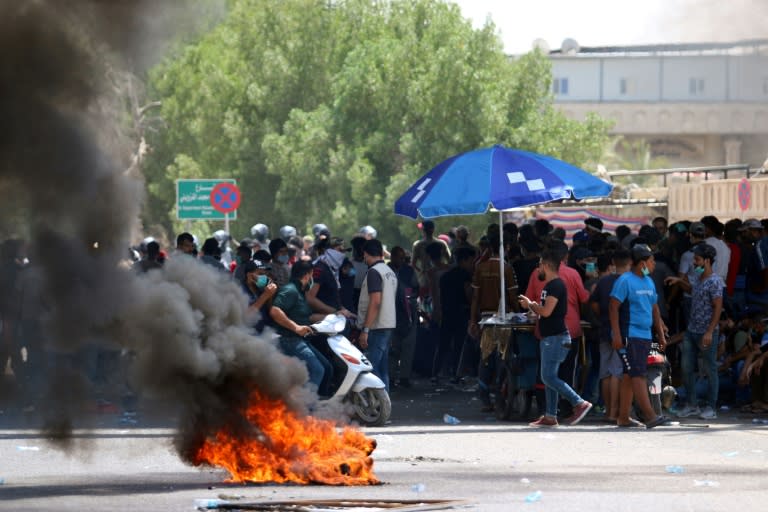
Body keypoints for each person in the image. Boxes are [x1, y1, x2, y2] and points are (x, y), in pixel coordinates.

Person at [519, 248, 593, 427]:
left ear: (545, 265)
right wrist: (534, 307)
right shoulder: (550, 286)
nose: (537, 270)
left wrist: (530, 305)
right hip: (551, 337)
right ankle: (551, 415)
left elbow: (546, 311)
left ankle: (579, 403)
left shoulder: (556, 285)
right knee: (550, 376)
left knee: (548, 376)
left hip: (556, 338)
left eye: (539, 266)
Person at [609, 244, 669, 429]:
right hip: (630, 334)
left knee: (629, 375)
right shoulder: (625, 280)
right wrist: (617, 335)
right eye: (652, 261)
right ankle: (650, 416)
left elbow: (654, 308)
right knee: (638, 375)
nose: (654, 265)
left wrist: (660, 334)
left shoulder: (649, 282)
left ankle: (624, 417)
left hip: (644, 335)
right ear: (642, 262)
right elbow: (613, 307)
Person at [666, 243, 724, 419]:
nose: (694, 263)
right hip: (692, 331)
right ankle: (692, 404)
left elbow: (718, 307)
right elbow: (694, 291)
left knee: (709, 369)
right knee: (686, 367)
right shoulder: (699, 280)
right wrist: (680, 281)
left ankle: (711, 408)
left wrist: (709, 331)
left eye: (697, 260)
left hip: (706, 332)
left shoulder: (715, 281)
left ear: (707, 261)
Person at [269, 261, 333, 395]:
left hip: (301, 340)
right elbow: (275, 311)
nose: (312, 279)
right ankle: (305, 410)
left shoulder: (300, 292)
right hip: (289, 340)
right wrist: (296, 328)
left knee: (327, 367)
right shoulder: (290, 290)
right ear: (307, 275)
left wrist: (333, 317)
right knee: (317, 370)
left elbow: (306, 317)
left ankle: (321, 405)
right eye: (312, 275)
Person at [590, 248, 631, 423]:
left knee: (605, 373)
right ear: (629, 263)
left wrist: (603, 317)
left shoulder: (603, 281)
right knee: (617, 372)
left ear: (613, 263)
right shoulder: (629, 282)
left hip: (604, 330)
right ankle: (615, 412)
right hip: (621, 332)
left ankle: (608, 411)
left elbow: (593, 302)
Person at [356, 239, 397, 393]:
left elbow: (375, 302)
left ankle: (379, 406)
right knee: (382, 368)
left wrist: (365, 330)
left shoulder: (374, 272)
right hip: (387, 326)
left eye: (364, 255)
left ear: (366, 254)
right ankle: (384, 405)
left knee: (371, 369)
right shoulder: (389, 271)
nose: (364, 259)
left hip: (376, 327)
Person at [435, 247, 476, 384]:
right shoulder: (465, 275)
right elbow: (468, 293)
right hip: (461, 313)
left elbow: (440, 297)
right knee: (459, 344)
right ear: (464, 260)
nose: (472, 264)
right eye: (471, 261)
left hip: (447, 313)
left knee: (443, 344)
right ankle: (455, 373)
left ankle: (435, 372)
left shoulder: (445, 276)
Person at [388, 246, 419, 388]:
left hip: (408, 312)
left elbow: (416, 288)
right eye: (398, 257)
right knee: (393, 348)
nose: (401, 260)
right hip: (391, 313)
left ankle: (405, 377)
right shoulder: (386, 270)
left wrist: (410, 297)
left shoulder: (409, 270)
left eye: (402, 257)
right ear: (392, 256)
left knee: (408, 347)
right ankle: (391, 377)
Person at [241, 260, 278, 334]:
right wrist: (265, 295)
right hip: (250, 334)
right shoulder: (240, 291)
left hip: (266, 331)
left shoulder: (260, 289)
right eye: (260, 273)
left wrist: (270, 295)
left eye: (265, 274)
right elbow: (245, 316)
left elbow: (269, 311)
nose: (264, 277)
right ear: (249, 275)